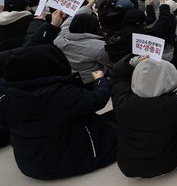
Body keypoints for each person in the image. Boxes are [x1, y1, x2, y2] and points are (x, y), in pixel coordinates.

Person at [0, 42, 116, 180]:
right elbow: (98, 99)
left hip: (28, 161)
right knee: (126, 129)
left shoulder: (8, 94)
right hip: (56, 163)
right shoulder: (57, 94)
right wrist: (100, 80)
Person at [109, 55, 177, 178]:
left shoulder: (122, 101)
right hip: (166, 164)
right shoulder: (175, 105)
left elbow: (116, 76)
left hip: (128, 167)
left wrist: (134, 62)